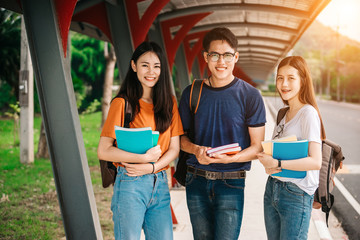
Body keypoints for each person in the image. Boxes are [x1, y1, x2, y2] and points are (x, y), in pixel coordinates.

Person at [178, 27, 266, 240]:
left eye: (227, 55)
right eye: (215, 55)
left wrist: (232, 159)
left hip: (231, 183)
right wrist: (196, 150)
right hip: (196, 181)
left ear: (236, 57)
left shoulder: (250, 96)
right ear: (206, 57)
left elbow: (257, 147)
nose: (221, 62)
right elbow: (180, 139)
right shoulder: (191, 93)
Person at [97, 41, 183, 240]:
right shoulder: (122, 103)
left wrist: (152, 167)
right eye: (145, 65)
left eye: (156, 66)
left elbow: (174, 148)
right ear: (134, 66)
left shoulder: (169, 103)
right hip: (130, 183)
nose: (151, 71)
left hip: (160, 183)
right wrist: (143, 159)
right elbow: (104, 150)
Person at [257, 56, 324, 240]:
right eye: (280, 78)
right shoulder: (283, 114)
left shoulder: (308, 113)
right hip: (273, 188)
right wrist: (268, 162)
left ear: (303, 80)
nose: (284, 83)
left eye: (291, 78)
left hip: (296, 194)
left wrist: (277, 162)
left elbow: (315, 161)